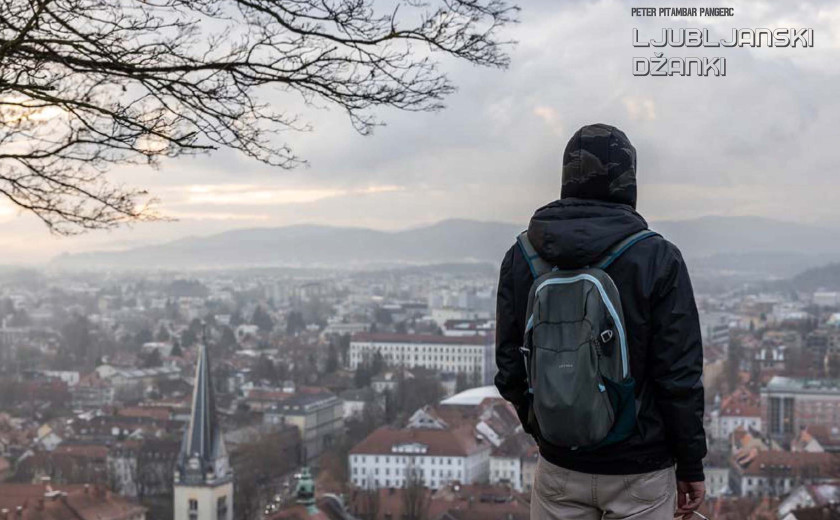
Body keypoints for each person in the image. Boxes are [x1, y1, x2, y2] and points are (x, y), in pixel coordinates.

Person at [495, 124, 707, 519]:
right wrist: (691, 463)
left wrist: (547, 426)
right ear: (629, 180)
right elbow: (678, 376)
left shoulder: (522, 256)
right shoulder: (657, 257)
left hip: (560, 465)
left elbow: (509, 368)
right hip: (640, 468)